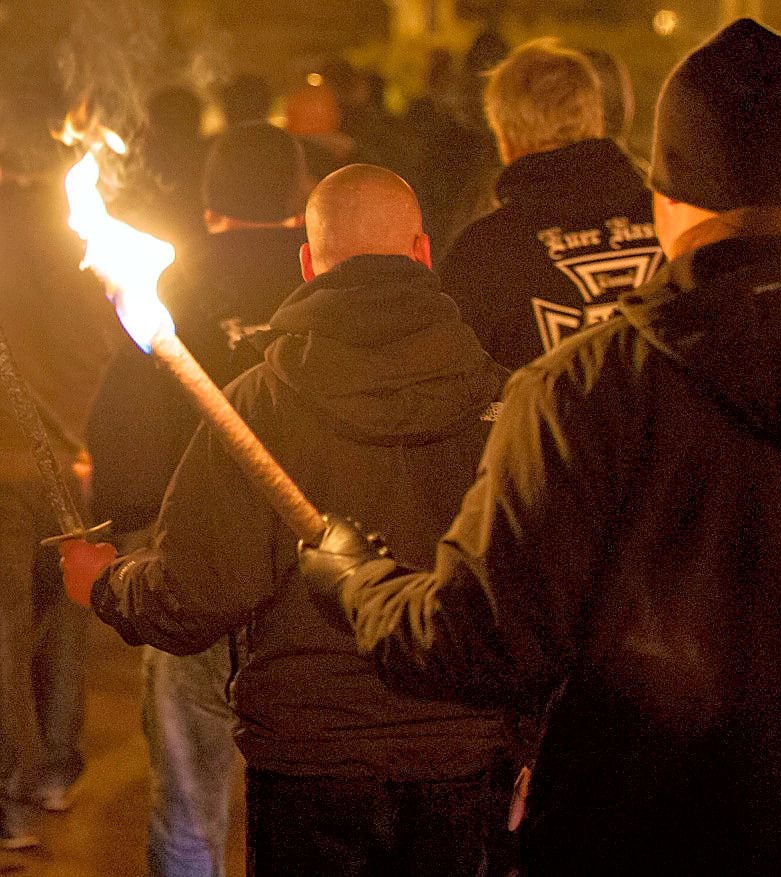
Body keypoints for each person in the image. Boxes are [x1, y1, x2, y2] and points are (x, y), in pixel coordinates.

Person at [292, 19, 781, 875]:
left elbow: (480, 640)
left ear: (664, 194)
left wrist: (358, 583)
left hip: (633, 826)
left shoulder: (580, 390)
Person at [64, 164, 509, 876]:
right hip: (463, 760)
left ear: (307, 262)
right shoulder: (509, 403)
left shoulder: (261, 405)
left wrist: (108, 586)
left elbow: (197, 594)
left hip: (313, 765)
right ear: (423, 252)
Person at [86, 121, 309, 877]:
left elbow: (123, 425)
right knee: (306, 790)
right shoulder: (320, 279)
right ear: (296, 194)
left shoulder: (172, 282)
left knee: (188, 796)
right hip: (305, 580)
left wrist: (125, 533)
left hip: (187, 564)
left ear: (212, 199)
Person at [0, 94, 119, 850]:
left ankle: (12, 790)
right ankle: (54, 766)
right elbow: (107, 338)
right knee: (63, 611)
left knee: (8, 625)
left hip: (12, 453)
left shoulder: (24, 229)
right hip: (73, 451)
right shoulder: (84, 231)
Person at [439, 38, 661, 371]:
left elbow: (457, 392)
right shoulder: (674, 222)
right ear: (597, 119)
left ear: (504, 137)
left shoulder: (481, 256)